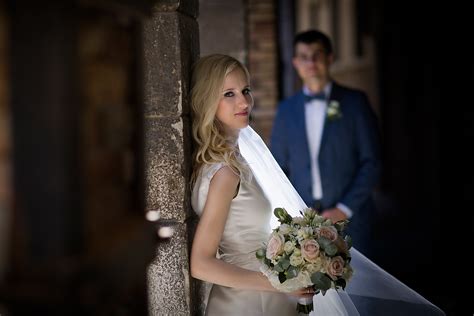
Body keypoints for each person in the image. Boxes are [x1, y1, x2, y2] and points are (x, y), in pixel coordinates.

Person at [189, 54, 314, 316]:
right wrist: (281, 283)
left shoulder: (236, 161)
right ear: (207, 100)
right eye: (229, 94)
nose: (244, 102)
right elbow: (200, 264)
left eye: (245, 90)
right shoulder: (226, 174)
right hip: (248, 304)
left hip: (261, 298)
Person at [270, 29, 381, 256]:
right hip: (304, 225)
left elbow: (372, 162)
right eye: (303, 56)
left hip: (353, 222)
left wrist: (343, 209)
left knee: (358, 289)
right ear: (295, 63)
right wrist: (295, 210)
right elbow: (279, 170)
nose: (310, 62)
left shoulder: (355, 103)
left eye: (317, 54)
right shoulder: (285, 110)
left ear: (330, 58)